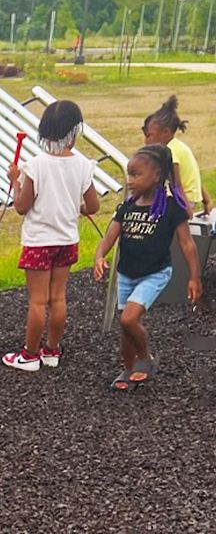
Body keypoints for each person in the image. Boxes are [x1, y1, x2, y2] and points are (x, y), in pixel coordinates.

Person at [95, 144, 202, 391]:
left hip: (155, 273)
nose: (130, 180)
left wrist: (194, 277)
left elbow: (187, 245)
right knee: (125, 325)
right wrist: (100, 256)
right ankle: (128, 367)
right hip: (126, 273)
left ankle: (145, 358)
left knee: (128, 318)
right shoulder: (127, 207)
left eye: (136, 174)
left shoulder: (171, 208)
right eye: (129, 174)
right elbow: (109, 238)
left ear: (156, 176)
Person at [2, 100, 100, 371]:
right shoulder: (83, 165)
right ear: (75, 131)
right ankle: (52, 351)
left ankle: (29, 356)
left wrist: (15, 179)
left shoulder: (36, 165)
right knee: (58, 298)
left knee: (37, 300)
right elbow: (92, 206)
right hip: (67, 240)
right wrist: (74, 206)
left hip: (39, 241)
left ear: (44, 132)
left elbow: (22, 206)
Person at [142, 95, 213, 217]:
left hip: (181, 201)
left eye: (149, 136)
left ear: (165, 132)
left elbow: (176, 185)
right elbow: (194, 177)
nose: (145, 142)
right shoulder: (179, 146)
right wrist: (206, 200)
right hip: (187, 199)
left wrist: (186, 209)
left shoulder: (170, 151)